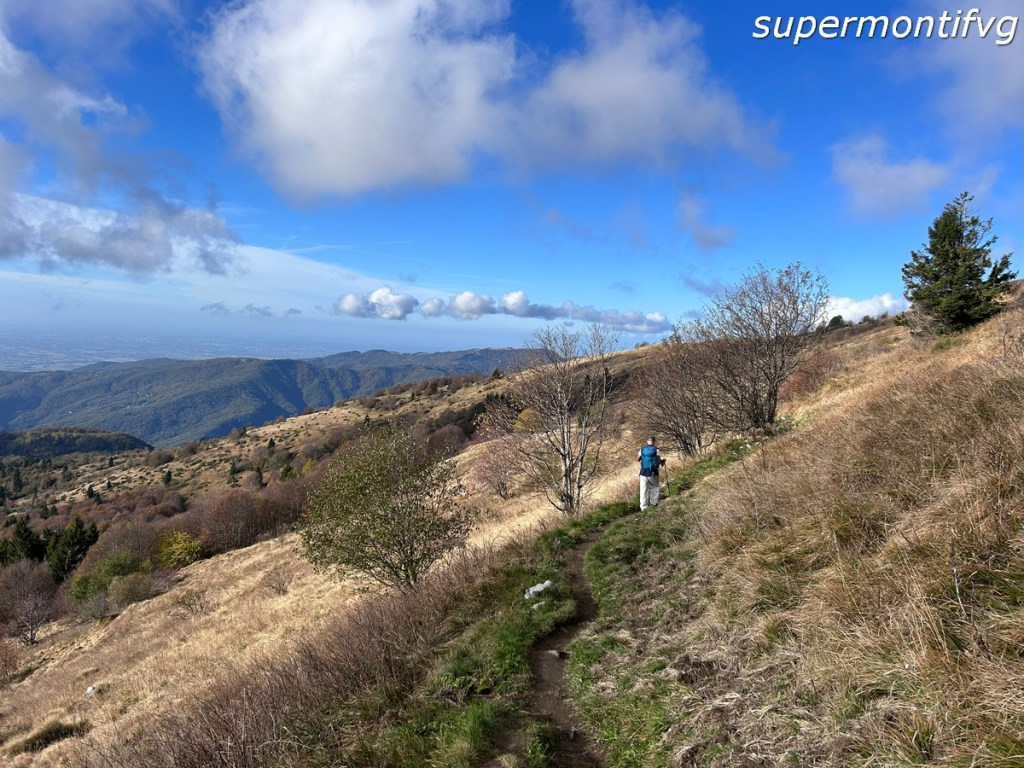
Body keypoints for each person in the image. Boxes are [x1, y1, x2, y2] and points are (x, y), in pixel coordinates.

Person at [637, 435, 665, 511]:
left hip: (643, 472)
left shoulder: (642, 449)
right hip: (653, 472)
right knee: (655, 487)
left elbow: (638, 459)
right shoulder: (656, 450)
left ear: (647, 441)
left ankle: (643, 507)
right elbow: (658, 461)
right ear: (654, 442)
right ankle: (653, 504)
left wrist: (642, 461)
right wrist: (663, 461)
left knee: (643, 490)